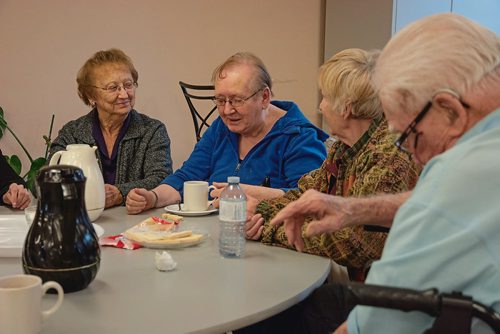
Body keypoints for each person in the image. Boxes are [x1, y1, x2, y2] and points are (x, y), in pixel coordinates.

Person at [270, 13, 500, 334]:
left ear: (451, 109)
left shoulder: (458, 175)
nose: (415, 161)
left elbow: (371, 327)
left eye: (408, 136)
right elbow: (452, 202)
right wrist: (356, 209)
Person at [244, 48, 419, 281]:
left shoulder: (389, 157)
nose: (320, 107)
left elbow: (353, 244)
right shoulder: (344, 147)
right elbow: (306, 193)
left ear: (345, 107)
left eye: (324, 97)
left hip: (381, 292)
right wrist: (261, 211)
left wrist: (268, 228)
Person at [126, 52, 328, 214]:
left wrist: (247, 192)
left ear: (264, 97)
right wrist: (152, 197)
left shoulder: (299, 137)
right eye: (220, 100)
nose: (227, 111)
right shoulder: (221, 129)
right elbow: (188, 176)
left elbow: (310, 199)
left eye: (237, 100)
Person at [50, 48, 172, 209]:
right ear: (91, 96)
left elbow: (162, 178)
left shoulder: (152, 130)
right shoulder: (72, 133)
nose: (124, 94)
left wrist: (120, 193)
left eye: (128, 85)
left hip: (136, 222)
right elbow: (47, 180)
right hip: (85, 219)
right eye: (113, 88)